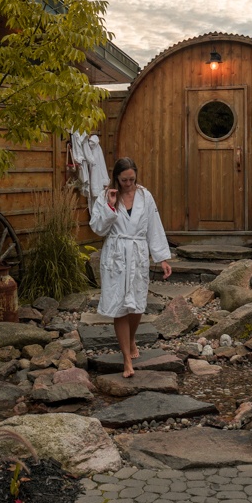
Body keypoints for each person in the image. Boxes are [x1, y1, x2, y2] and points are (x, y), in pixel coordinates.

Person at [89, 157, 172, 378]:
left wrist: (162, 258)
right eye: (124, 180)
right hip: (116, 254)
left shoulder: (145, 197)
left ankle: (132, 338)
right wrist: (109, 206)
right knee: (119, 306)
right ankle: (126, 359)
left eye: (132, 179)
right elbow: (97, 228)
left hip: (137, 254)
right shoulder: (106, 196)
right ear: (116, 177)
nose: (128, 184)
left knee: (137, 306)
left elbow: (155, 226)